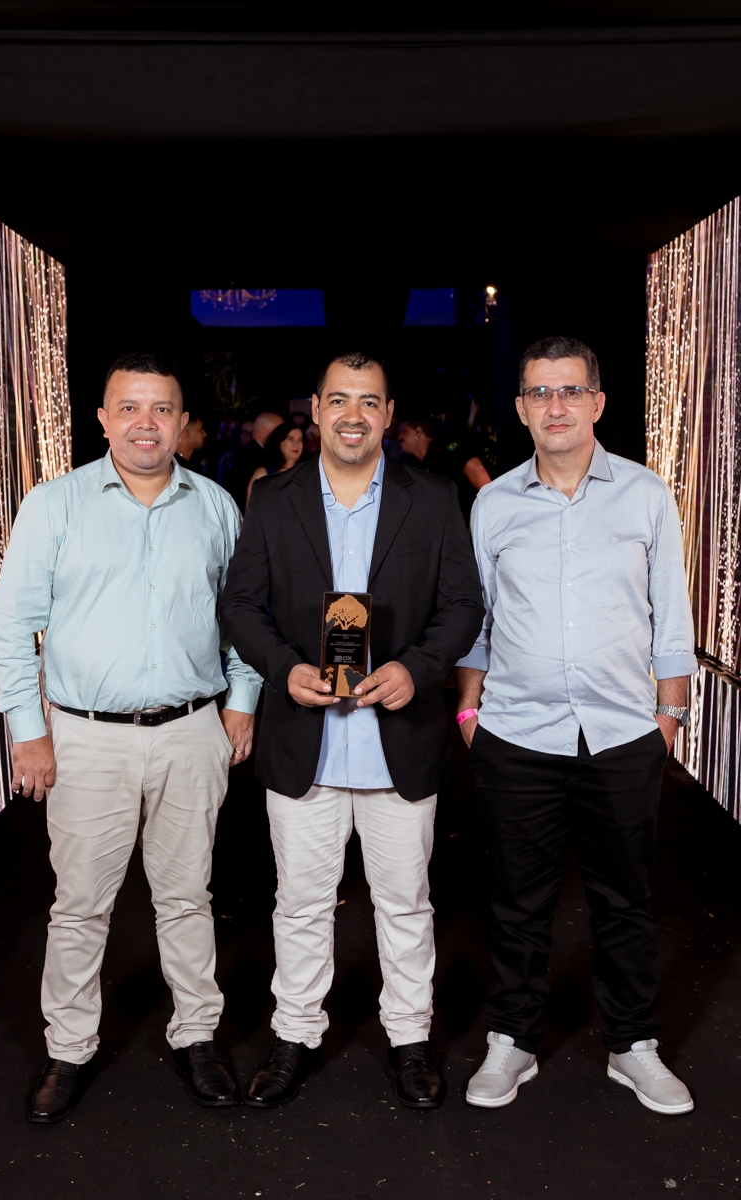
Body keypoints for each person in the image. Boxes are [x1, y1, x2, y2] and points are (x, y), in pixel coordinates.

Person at [0, 351, 262, 1123]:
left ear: (183, 423)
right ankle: (68, 1050)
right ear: (102, 419)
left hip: (192, 732)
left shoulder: (215, 508)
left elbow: (246, 618)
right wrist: (28, 731)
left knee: (187, 897)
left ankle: (196, 1036)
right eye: (129, 408)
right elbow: (7, 626)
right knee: (79, 906)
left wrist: (242, 701)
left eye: (161, 409)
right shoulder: (55, 504)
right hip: (86, 738)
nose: (146, 423)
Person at [222, 351, 484, 1110]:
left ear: (389, 415)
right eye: (339, 399)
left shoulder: (432, 498)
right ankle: (295, 1035)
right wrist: (282, 668)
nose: (353, 415)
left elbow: (463, 606)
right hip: (304, 740)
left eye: (369, 402)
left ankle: (410, 1039)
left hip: (399, 739)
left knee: (405, 904)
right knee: (301, 904)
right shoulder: (274, 499)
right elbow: (241, 605)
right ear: (315, 408)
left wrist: (419, 668)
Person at [456, 335, 696, 1115]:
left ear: (596, 402)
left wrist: (668, 716)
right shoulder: (494, 504)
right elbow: (478, 622)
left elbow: (672, 616)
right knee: (517, 902)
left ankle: (634, 1046)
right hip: (517, 735)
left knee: (624, 901)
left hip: (623, 734)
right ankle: (512, 1041)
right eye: (539, 392)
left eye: (568, 391)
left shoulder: (645, 495)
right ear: (522, 409)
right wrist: (469, 711)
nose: (554, 405)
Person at [222, 411, 284, 507]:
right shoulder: (254, 455)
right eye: (279, 431)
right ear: (263, 431)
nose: (282, 436)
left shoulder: (252, 452)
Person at [245, 421, 304, 507]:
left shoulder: (308, 472)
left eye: (300, 440)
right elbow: (251, 510)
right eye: (290, 439)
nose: (296, 444)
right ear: (279, 442)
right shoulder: (263, 474)